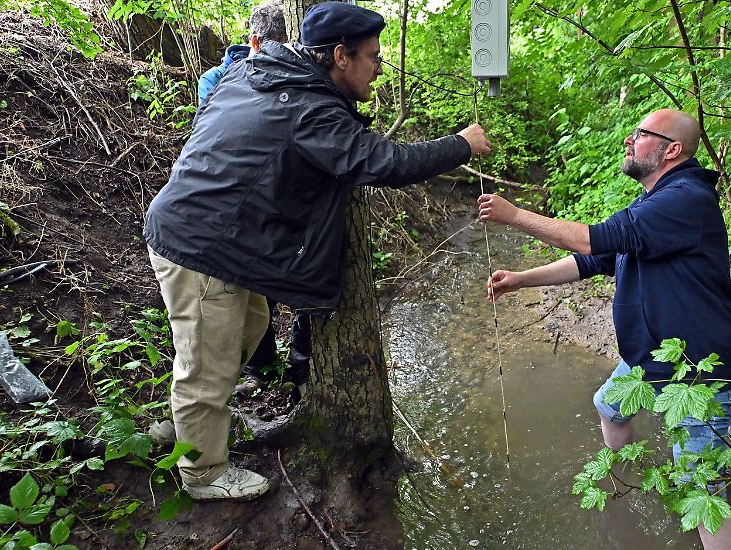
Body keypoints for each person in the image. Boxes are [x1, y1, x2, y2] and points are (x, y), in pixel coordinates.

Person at [145, 1, 491, 501]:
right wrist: (459, 144)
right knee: (207, 360)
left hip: (216, 234)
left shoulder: (263, 72)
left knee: (245, 329)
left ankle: (187, 423)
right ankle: (203, 474)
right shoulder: (308, 108)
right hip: (202, 244)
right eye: (372, 57)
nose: (378, 69)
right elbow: (381, 161)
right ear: (339, 56)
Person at [477, 109, 731, 550]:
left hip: (697, 369)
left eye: (642, 134)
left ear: (671, 150)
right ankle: (629, 481)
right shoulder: (655, 203)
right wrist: (521, 280)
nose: (630, 140)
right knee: (609, 407)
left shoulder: (687, 199)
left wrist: (514, 215)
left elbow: (594, 236)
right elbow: (593, 257)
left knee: (703, 491)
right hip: (651, 360)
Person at [195, 2, 310, 399]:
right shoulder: (219, 78)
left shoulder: (298, 75)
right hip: (239, 204)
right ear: (254, 41)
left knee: (295, 283)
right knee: (250, 290)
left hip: (283, 200)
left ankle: (299, 365)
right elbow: (212, 135)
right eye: (271, 44)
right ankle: (260, 368)